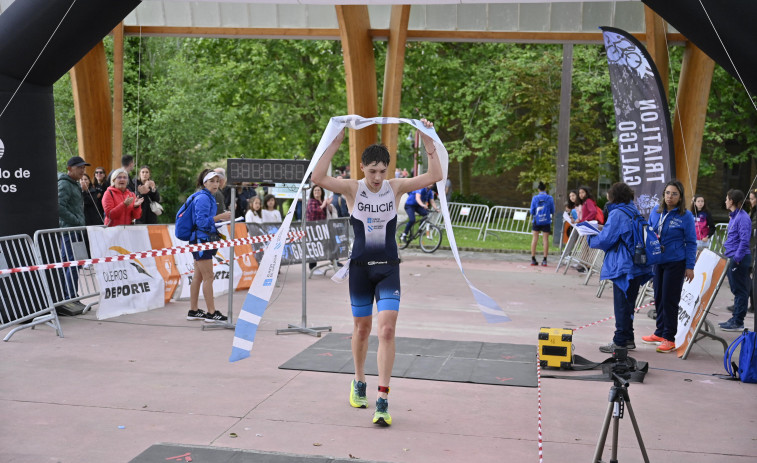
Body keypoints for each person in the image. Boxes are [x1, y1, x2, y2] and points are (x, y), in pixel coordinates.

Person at [311, 118, 442, 427]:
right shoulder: (351, 189)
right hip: (359, 269)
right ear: (362, 168)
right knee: (362, 330)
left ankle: (383, 399)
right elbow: (318, 176)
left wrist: (427, 139)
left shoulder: (394, 187)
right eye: (371, 172)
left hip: (387, 269)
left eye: (382, 171)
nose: (377, 178)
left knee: (386, 330)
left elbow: (436, 175)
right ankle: (359, 381)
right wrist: (334, 142)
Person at [587, 182, 652, 353]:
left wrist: (589, 236)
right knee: (629, 303)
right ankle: (628, 338)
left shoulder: (616, 213)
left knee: (621, 304)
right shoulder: (633, 211)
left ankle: (620, 341)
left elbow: (606, 240)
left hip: (623, 265)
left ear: (614, 196)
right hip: (638, 264)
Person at [641, 180, 696, 353]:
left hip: (676, 262)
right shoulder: (656, 213)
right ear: (663, 195)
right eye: (667, 193)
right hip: (658, 262)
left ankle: (669, 338)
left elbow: (691, 242)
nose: (670, 197)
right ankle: (659, 332)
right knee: (658, 297)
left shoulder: (685, 216)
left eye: (674, 194)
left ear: (680, 197)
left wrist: (690, 266)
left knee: (669, 299)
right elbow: (649, 234)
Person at [185, 169, 232, 323]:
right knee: (208, 277)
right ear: (204, 183)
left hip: (201, 239)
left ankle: (193, 310)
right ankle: (211, 313)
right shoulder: (204, 198)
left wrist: (218, 220)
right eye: (212, 181)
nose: (215, 184)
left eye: (217, 181)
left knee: (198, 277)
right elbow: (202, 222)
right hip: (201, 241)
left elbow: (206, 220)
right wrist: (221, 217)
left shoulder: (207, 197)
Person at [57, 156, 89, 305]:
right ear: (69, 168)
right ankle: (70, 297)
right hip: (70, 230)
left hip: (73, 230)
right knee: (73, 263)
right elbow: (58, 207)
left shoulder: (74, 184)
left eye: (83, 167)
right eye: (79, 168)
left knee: (71, 263)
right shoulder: (65, 184)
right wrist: (76, 222)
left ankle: (68, 296)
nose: (83, 170)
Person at [719, 189, 752, 331]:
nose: (725, 201)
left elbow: (745, 240)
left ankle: (738, 322)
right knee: (736, 289)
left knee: (740, 291)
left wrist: (737, 258)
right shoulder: (734, 216)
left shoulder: (743, 218)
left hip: (739, 258)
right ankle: (735, 318)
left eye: (727, 199)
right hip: (732, 256)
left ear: (732, 201)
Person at [306, 185, 331, 274]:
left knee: (325, 246)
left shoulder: (322, 201)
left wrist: (327, 204)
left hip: (322, 228)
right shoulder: (311, 201)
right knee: (314, 247)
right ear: (312, 192)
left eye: (319, 190)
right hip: (313, 229)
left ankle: (334, 262)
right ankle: (313, 267)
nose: (317, 192)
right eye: (315, 190)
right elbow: (315, 211)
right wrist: (324, 204)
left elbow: (328, 212)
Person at [529, 181, 554, 266]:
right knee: (545, 239)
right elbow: (552, 210)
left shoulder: (535, 198)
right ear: (545, 189)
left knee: (535, 238)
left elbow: (532, 211)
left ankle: (533, 259)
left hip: (537, 220)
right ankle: (544, 260)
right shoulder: (550, 198)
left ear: (538, 189)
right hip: (546, 221)